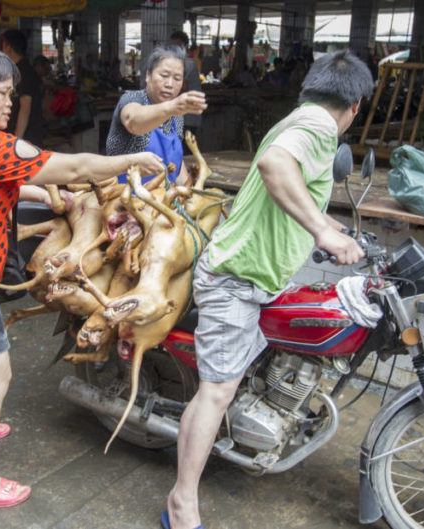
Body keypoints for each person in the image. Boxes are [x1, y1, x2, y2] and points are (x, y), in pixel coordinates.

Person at [0, 47, 164, 510]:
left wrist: (45, 195)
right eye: (4, 93)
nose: (11, 102)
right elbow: (78, 166)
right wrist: (131, 161)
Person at [164, 50, 372, 529]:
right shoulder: (320, 127)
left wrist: (332, 227)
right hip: (235, 280)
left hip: (259, 275)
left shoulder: (299, 118)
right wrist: (323, 232)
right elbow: (276, 166)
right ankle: (181, 500)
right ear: (355, 105)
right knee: (217, 391)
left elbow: (294, 183)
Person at [106, 45, 206, 186]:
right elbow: (133, 121)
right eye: (164, 76)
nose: (170, 84)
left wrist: (188, 189)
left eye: (177, 78)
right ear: (148, 75)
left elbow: (175, 164)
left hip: (163, 202)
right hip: (125, 200)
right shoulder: (132, 99)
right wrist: (171, 107)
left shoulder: (176, 116)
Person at [0, 29, 44, 147]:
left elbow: (25, 108)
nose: (2, 50)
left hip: (27, 137)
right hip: (21, 136)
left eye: (3, 45)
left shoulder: (24, 72)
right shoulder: (17, 69)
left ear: (8, 47)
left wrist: (17, 141)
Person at [169, 31, 203, 140]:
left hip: (188, 119)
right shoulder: (179, 63)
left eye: (177, 46)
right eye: (171, 46)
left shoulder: (188, 64)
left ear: (184, 47)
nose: (173, 49)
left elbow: (181, 87)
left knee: (184, 153)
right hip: (182, 118)